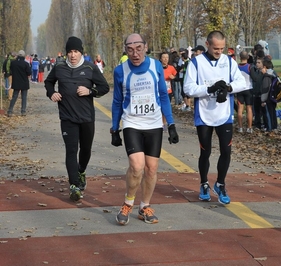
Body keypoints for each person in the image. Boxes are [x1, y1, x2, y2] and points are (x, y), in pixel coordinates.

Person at [112, 33, 179, 225]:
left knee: (151, 169)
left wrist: (172, 124)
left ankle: (144, 206)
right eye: (130, 50)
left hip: (154, 123)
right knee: (136, 166)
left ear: (146, 47)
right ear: (125, 50)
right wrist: (114, 128)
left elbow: (163, 96)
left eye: (138, 49)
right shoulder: (120, 71)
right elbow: (117, 101)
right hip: (132, 123)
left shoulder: (156, 66)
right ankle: (127, 202)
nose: (135, 54)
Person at [183, 30, 247, 204]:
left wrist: (228, 88)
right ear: (207, 44)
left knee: (226, 150)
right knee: (206, 151)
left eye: (222, 48)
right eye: (216, 48)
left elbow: (243, 82)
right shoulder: (196, 63)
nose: (219, 51)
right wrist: (209, 90)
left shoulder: (229, 61)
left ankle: (220, 183)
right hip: (204, 115)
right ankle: (204, 183)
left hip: (224, 114)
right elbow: (188, 89)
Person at [44, 36, 110, 201]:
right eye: (70, 52)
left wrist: (90, 91)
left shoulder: (90, 67)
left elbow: (104, 87)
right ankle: (74, 185)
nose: (72, 55)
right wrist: (51, 93)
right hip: (67, 117)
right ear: (66, 53)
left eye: (76, 51)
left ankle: (81, 171)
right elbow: (48, 82)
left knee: (85, 149)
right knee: (71, 150)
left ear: (81, 52)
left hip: (87, 117)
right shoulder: (59, 67)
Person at [7, 50, 31, 117]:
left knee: (14, 96)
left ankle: (10, 111)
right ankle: (23, 111)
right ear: (24, 56)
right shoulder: (26, 64)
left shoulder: (13, 63)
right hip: (24, 82)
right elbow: (29, 73)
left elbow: (11, 70)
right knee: (24, 97)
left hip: (16, 82)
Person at [237, 51, 253, 133]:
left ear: (240, 57)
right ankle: (249, 128)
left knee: (240, 109)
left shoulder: (237, 67)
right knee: (249, 108)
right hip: (248, 89)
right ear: (248, 58)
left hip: (239, 89)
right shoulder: (249, 67)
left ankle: (240, 127)